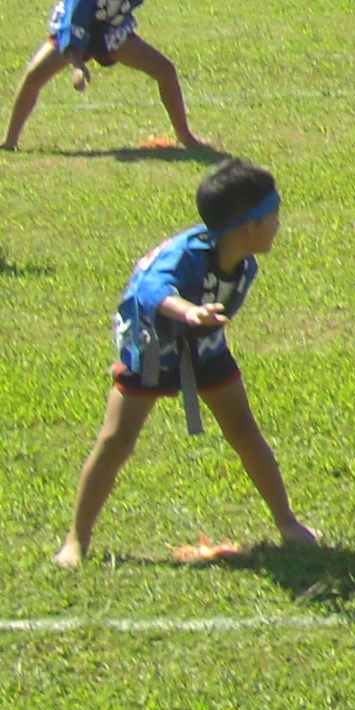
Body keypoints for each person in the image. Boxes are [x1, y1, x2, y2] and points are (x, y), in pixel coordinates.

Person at [53, 158, 317, 568]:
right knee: (117, 439)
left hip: (203, 343)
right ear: (248, 225)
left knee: (244, 430)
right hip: (154, 344)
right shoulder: (188, 256)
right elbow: (151, 289)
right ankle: (76, 540)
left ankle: (288, 523)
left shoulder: (242, 260)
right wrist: (188, 312)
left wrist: (199, 325)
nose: (279, 224)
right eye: (273, 215)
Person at [5, 0, 207, 152]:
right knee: (34, 75)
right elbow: (72, 29)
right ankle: (10, 140)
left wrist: (108, 43)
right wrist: (77, 65)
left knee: (165, 70)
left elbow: (117, 19)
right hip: (74, 31)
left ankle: (185, 136)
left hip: (110, 31)